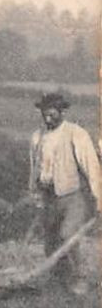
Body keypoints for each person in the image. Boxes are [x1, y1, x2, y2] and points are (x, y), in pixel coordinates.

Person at [27, 91, 101, 293]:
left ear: (61, 112)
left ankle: (80, 279)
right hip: (49, 197)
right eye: (44, 113)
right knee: (50, 243)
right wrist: (36, 197)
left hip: (71, 197)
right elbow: (35, 169)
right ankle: (59, 281)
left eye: (51, 113)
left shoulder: (76, 134)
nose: (47, 117)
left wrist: (99, 199)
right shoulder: (37, 137)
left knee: (68, 236)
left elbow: (92, 167)